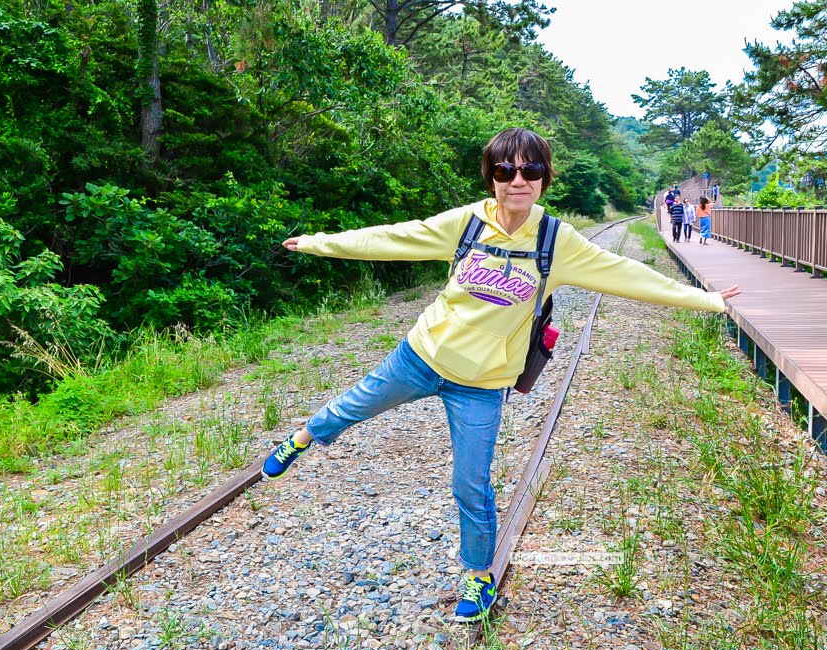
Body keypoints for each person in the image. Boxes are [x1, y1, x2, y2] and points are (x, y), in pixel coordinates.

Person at [262, 127, 742, 623]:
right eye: (505, 170)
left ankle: (479, 575)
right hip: (422, 354)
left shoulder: (558, 241)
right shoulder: (467, 223)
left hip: (482, 384)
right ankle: (299, 439)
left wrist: (705, 299)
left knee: (470, 483)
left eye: (530, 170)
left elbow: (628, 275)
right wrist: (321, 244)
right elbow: (394, 237)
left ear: (543, 178)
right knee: (351, 407)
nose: (518, 180)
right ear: (491, 177)